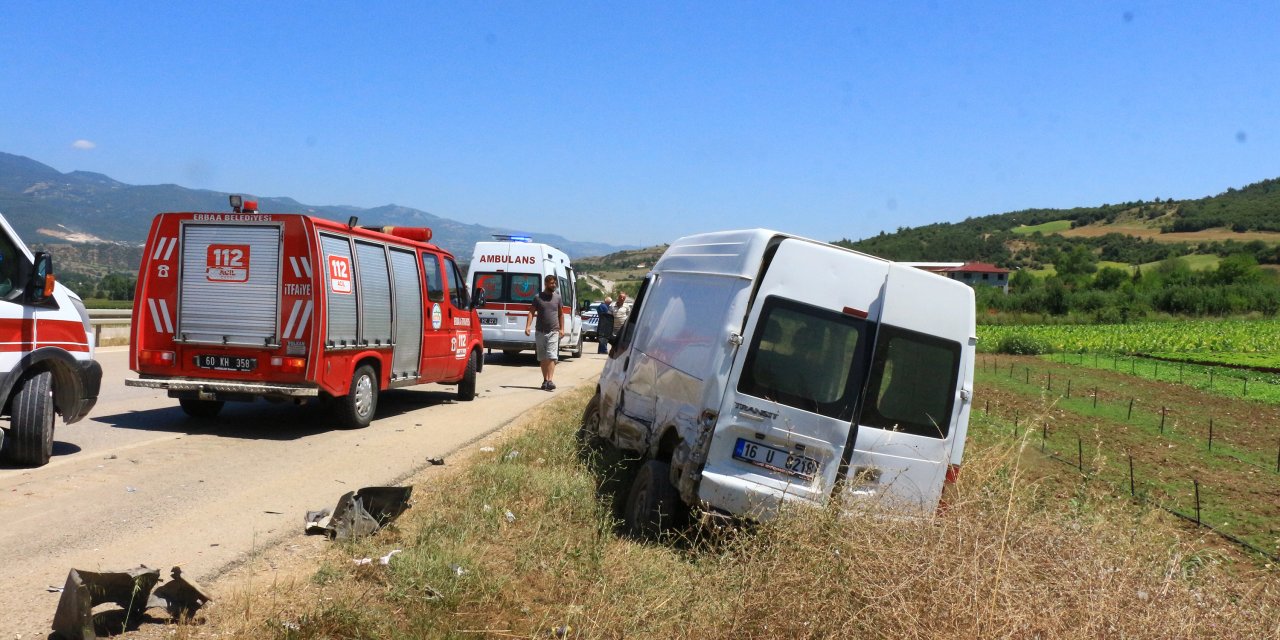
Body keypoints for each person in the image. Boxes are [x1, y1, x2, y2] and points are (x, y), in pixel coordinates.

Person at [524, 274, 564, 391]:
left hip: (553, 331)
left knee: (551, 356)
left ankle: (550, 380)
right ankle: (545, 380)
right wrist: (528, 326)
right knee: (542, 357)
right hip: (540, 331)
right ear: (546, 284)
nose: (554, 285)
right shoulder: (538, 297)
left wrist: (562, 329)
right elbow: (531, 312)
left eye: (555, 283)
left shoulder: (557, 297)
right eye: (552, 283)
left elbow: (561, 314)